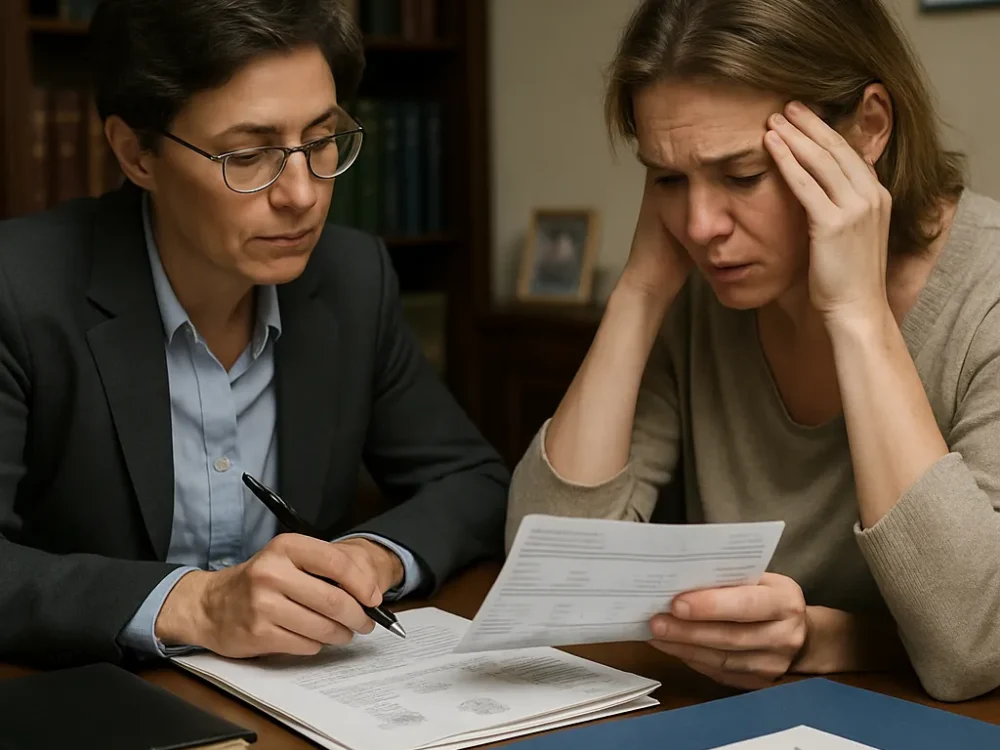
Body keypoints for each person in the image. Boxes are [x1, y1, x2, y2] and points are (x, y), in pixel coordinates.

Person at [507, 0, 1000, 703]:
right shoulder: (700, 290)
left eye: (741, 175)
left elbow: (974, 646)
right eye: (669, 180)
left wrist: (857, 316)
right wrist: (641, 291)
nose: (702, 227)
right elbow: (549, 578)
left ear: (867, 129)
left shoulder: (987, 294)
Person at [0, 0, 509, 669]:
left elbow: (471, 480)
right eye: (249, 153)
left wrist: (366, 559)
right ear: (136, 154)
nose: (302, 193)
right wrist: (199, 606)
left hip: (297, 697)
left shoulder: (351, 279)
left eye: (321, 140)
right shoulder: (20, 286)